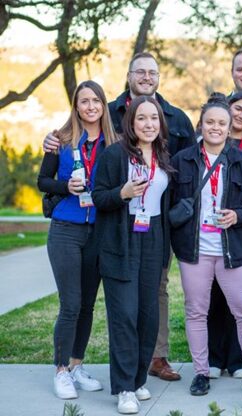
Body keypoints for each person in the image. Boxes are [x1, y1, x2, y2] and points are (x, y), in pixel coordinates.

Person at [44, 52, 195, 382]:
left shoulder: (177, 118)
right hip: (98, 223)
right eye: (139, 71)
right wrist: (52, 146)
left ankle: (153, 357)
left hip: (143, 226)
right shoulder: (107, 115)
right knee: (93, 300)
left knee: (150, 295)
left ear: (159, 77)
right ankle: (71, 368)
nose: (145, 76)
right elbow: (65, 157)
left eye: (152, 72)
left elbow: (186, 167)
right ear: (128, 76)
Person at [170, 93, 242, 396]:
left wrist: (239, 215)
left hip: (233, 251)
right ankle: (201, 372)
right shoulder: (183, 160)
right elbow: (170, 204)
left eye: (221, 123)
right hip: (195, 251)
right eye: (210, 122)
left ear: (230, 128)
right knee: (196, 310)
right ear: (200, 125)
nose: (215, 127)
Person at [92, 96, 173, 414]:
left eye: (154, 118)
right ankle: (124, 387)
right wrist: (121, 194)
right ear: (131, 122)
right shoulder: (115, 155)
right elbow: (98, 196)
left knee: (148, 316)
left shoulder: (164, 155)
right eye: (142, 118)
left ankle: (138, 379)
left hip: (152, 238)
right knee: (124, 315)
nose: (149, 124)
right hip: (120, 239)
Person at [37, 80, 117, 400]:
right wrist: (64, 187)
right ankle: (60, 371)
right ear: (76, 105)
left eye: (96, 100)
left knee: (86, 306)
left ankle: (76, 365)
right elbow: (43, 180)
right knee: (70, 304)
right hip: (66, 230)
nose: (90, 106)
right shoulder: (60, 139)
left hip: (98, 231)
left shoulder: (115, 143)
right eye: (84, 101)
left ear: (103, 105)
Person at [207, 91, 242, 380]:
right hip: (207, 236)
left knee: (239, 300)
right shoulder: (205, 143)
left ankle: (239, 360)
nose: (241, 115)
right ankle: (215, 357)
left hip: (241, 231)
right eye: (237, 109)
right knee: (214, 298)